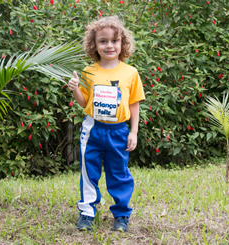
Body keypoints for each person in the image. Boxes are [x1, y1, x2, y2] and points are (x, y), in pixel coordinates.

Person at [68, 16, 145, 232]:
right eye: (103, 41)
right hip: (93, 128)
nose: (109, 45)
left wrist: (134, 132)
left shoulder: (131, 73)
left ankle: (121, 215)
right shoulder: (88, 72)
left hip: (119, 130)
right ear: (94, 45)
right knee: (88, 171)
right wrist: (75, 88)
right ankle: (87, 213)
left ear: (123, 43)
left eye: (114, 40)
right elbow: (84, 102)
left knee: (119, 173)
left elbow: (134, 104)